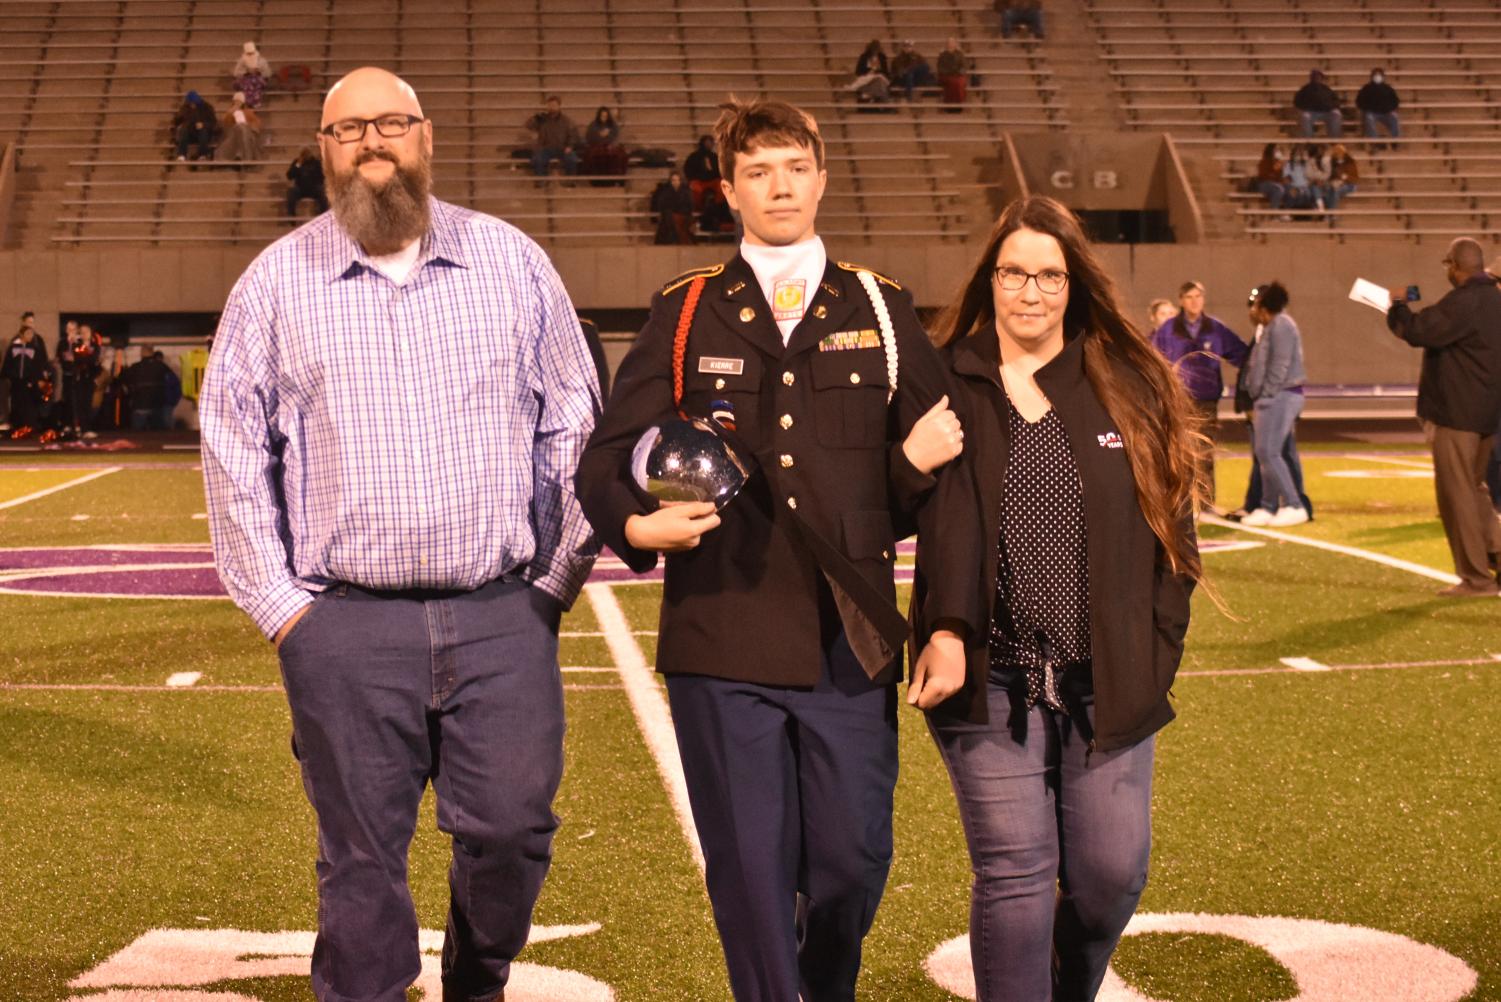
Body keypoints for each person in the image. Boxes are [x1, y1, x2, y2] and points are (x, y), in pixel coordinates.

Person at [199, 67, 601, 1002]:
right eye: (348, 130)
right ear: (324, 153)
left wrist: (550, 584)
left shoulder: (511, 260)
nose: (372, 142)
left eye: (391, 124)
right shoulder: (273, 283)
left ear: (427, 137)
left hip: (501, 612)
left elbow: (576, 427)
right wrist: (286, 611)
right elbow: (230, 451)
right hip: (343, 626)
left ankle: (477, 979)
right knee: (360, 857)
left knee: (511, 829)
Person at [575, 96, 955, 1002]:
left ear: (821, 179)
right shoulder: (687, 309)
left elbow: (940, 484)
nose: (778, 186)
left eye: (793, 168)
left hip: (848, 640)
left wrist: (944, 619)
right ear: (728, 191)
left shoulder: (880, 305)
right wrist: (635, 523)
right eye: (757, 172)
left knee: (850, 865)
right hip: (722, 633)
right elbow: (601, 457)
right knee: (749, 877)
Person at [906, 194, 1201, 1002]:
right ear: (989, 279)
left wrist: (1153, 654)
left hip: (1105, 679)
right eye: (1012, 273)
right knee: (1015, 875)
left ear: (1073, 286)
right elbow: (887, 502)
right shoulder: (944, 378)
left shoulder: (1125, 382)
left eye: (1047, 275)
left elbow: (1173, 543)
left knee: (1109, 876)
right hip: (987, 679)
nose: (1028, 292)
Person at [1385, 238, 1501, 596]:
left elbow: (1419, 331)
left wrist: (1397, 306)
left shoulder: (1464, 301)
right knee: (1476, 489)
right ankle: (1495, 553)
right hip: (1488, 414)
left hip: (1457, 414)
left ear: (1455, 266)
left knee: (1458, 495)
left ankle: (1476, 578)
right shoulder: (1497, 300)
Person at [1150, 281, 1249, 511]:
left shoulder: (1215, 328)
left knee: (1205, 452)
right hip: (1178, 400)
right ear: (1181, 301)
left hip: (1206, 399)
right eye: (1189, 297)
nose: (1194, 301)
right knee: (1178, 451)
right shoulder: (1168, 330)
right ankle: (1180, 503)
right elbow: (1154, 360)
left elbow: (1241, 354)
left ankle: (1205, 503)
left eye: (1198, 296)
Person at [1239, 281, 1309, 526]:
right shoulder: (1271, 326)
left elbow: (1278, 366)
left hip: (1280, 395)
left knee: (1269, 451)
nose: (1254, 308)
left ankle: (1293, 504)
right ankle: (1268, 506)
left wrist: (1266, 394)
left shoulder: (1281, 325)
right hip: (1273, 396)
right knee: (1265, 452)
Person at [3, 312, 48, 437]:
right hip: (17, 381)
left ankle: (30, 428)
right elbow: (8, 363)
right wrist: (9, 376)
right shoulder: (14, 346)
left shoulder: (35, 346)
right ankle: (18, 428)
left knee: (30, 405)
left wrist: (39, 378)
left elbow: (39, 364)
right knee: (17, 404)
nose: (30, 334)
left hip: (30, 381)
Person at [59, 320, 103, 439]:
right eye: (82, 332)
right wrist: (86, 359)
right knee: (78, 404)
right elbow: (77, 359)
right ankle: (81, 428)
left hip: (90, 378)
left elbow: (95, 360)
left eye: (86, 332)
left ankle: (87, 428)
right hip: (79, 378)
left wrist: (86, 359)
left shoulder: (94, 346)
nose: (84, 334)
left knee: (88, 404)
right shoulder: (77, 345)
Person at [526, 95, 581, 177]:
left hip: (562, 148)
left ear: (559, 106)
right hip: (545, 148)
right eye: (550, 105)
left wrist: (570, 146)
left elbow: (573, 135)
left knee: (571, 159)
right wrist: (536, 118)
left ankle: (570, 181)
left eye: (554, 105)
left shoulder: (567, 120)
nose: (552, 107)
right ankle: (541, 181)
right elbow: (528, 125)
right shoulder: (542, 119)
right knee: (538, 160)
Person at [122, 344, 172, 430]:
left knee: (137, 438)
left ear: (141, 353)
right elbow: (172, 382)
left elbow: (123, 380)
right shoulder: (161, 366)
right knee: (158, 436)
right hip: (157, 406)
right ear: (152, 352)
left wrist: (131, 393)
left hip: (139, 406)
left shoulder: (135, 367)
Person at [582, 106, 628, 181]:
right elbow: (589, 137)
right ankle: (597, 180)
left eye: (605, 116)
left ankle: (616, 179)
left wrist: (608, 136)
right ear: (599, 116)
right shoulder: (593, 125)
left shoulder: (613, 125)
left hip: (610, 147)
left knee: (620, 155)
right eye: (602, 116)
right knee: (594, 156)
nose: (604, 117)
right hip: (597, 147)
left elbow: (615, 137)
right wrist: (599, 135)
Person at [1356, 67, 1400, 145]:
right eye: (1375, 75)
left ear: (1383, 77)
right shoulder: (1366, 88)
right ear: (1372, 76)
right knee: (1369, 118)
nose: (1377, 77)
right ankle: (1375, 141)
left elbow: (1395, 101)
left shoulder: (1388, 88)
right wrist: (1367, 108)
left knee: (1394, 117)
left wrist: (1390, 108)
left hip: (1386, 112)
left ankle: (1395, 140)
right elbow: (1359, 101)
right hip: (1372, 112)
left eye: (1379, 75)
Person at [650, 170, 695, 245]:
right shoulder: (665, 192)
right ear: (670, 181)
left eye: (677, 180)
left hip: (683, 215)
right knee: (668, 219)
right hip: (669, 215)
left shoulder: (686, 191)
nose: (675, 182)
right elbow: (662, 205)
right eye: (673, 180)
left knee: (673, 220)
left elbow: (690, 205)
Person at [1294, 69, 1343, 138]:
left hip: (1326, 112)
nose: (1316, 78)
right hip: (1311, 112)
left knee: (1336, 114)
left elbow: (1336, 100)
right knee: (1305, 117)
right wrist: (1306, 107)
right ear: (1311, 78)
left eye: (1318, 77)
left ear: (1321, 78)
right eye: (1314, 77)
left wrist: (1331, 107)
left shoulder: (1326, 89)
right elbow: (1297, 102)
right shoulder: (1305, 89)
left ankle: (1334, 139)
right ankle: (1308, 140)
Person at [217, 92, 263, 164]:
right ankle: (239, 153)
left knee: (242, 128)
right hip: (234, 135)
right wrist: (231, 112)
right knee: (239, 128)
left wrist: (248, 126)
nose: (237, 103)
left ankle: (242, 154)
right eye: (236, 101)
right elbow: (226, 123)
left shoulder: (248, 112)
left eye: (239, 101)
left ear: (242, 103)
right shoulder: (230, 112)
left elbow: (256, 123)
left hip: (247, 134)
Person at [172, 91, 218, 162]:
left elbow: (214, 123)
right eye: (191, 103)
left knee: (203, 130)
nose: (192, 105)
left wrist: (203, 124)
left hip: (204, 134)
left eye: (194, 103)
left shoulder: (207, 107)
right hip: (190, 133)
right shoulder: (185, 108)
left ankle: (203, 155)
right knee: (184, 128)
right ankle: (182, 155)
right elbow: (177, 121)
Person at [285, 147, 328, 219]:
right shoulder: (297, 162)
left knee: (322, 193)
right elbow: (289, 176)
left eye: (307, 153)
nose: (306, 155)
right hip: (300, 188)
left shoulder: (316, 163)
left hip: (314, 188)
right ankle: (292, 218)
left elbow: (322, 177)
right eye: (304, 153)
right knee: (291, 192)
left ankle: (323, 217)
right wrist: (298, 165)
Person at [683, 135, 722, 211]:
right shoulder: (693, 156)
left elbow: (720, 170)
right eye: (706, 143)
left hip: (713, 181)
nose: (708, 145)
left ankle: (718, 208)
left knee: (722, 187)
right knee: (695, 189)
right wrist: (693, 179)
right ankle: (699, 209)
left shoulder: (715, 157)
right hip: (699, 181)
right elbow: (688, 170)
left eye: (710, 143)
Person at [849, 40, 893, 105]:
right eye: (874, 50)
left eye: (877, 50)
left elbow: (885, 71)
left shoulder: (882, 57)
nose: (875, 52)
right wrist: (869, 70)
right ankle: (884, 100)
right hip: (866, 78)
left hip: (878, 77)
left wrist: (877, 71)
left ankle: (869, 95)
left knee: (880, 81)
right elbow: (858, 71)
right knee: (880, 84)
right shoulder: (864, 57)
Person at [232, 41, 271, 108]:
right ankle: (248, 102)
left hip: (258, 79)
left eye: (252, 53)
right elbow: (236, 73)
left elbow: (267, 73)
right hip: (245, 80)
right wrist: (246, 72)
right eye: (248, 54)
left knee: (255, 82)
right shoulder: (241, 61)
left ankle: (254, 101)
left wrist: (259, 72)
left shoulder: (262, 61)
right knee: (248, 84)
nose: (250, 55)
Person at [1323, 143, 1359, 212]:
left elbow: (1354, 179)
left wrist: (1343, 178)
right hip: (1336, 183)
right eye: (1336, 153)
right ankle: (1329, 212)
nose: (1338, 155)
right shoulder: (1333, 163)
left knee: (1336, 191)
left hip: (1350, 185)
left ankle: (1332, 213)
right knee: (1328, 190)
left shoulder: (1350, 162)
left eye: (1339, 153)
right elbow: (1331, 176)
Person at [936, 37, 970, 108]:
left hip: (958, 74)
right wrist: (949, 72)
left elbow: (964, 65)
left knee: (960, 82)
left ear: (955, 44)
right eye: (949, 42)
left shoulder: (960, 54)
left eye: (952, 42)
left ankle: (959, 104)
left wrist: (960, 72)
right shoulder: (943, 55)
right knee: (953, 82)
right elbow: (940, 67)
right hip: (946, 75)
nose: (950, 44)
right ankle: (950, 105)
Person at [1253, 143, 1287, 214]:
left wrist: (1279, 166)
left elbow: (1279, 177)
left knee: (1285, 189)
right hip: (1264, 184)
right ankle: (1274, 212)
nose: (1277, 152)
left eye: (1278, 150)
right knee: (1278, 190)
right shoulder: (1264, 161)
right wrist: (1274, 179)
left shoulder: (1278, 163)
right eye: (1276, 150)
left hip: (1275, 185)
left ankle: (1286, 212)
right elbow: (1263, 176)